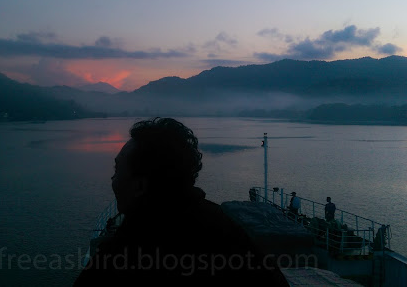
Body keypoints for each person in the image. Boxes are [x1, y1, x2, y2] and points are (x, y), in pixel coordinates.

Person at [75, 117, 289, 285]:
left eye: (117, 170)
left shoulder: (123, 253)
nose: (112, 179)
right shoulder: (225, 229)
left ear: (140, 185)